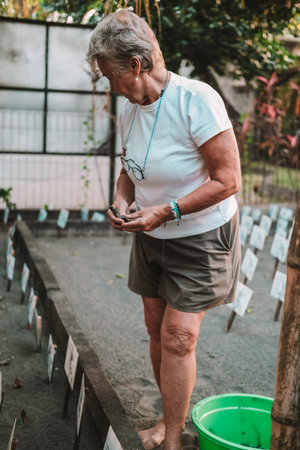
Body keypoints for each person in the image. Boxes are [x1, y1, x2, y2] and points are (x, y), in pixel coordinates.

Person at [87, 9, 241, 450]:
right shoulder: (133, 109)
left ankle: (172, 438)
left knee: (179, 336)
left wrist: (166, 210)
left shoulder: (198, 99)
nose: (109, 84)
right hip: (152, 236)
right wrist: (121, 200)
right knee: (156, 328)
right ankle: (164, 417)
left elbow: (229, 181)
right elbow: (129, 171)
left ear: (136, 65)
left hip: (202, 236)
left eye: (111, 74)